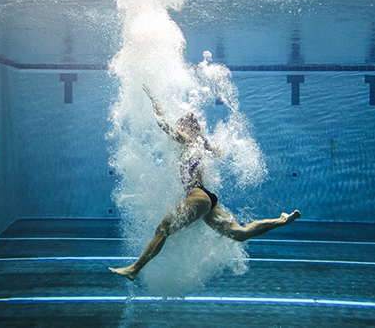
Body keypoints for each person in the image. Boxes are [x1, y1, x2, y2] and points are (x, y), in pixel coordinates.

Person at [109, 85, 301, 281]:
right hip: (208, 198)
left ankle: (134, 269)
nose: (177, 130)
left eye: (180, 126)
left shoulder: (190, 142)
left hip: (198, 196)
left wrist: (154, 99)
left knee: (163, 229)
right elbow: (217, 151)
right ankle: (282, 220)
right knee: (240, 233)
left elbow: (163, 124)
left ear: (185, 128)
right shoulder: (201, 145)